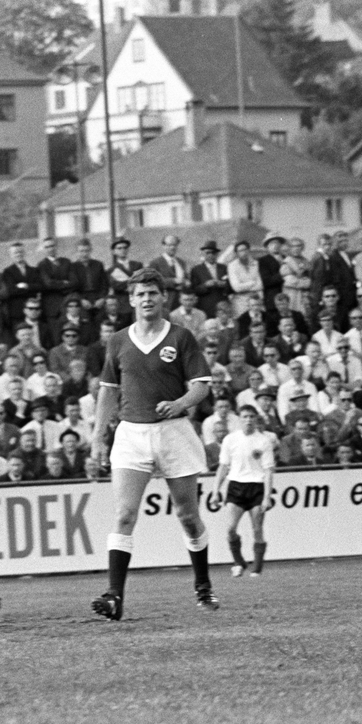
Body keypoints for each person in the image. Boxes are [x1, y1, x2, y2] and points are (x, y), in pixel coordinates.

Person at [90, 267, 217, 622]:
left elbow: (202, 385)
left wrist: (180, 403)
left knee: (188, 517)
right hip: (131, 434)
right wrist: (98, 438)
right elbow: (107, 392)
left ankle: (203, 584)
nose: (147, 299)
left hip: (174, 432)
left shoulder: (181, 337)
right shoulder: (117, 341)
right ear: (131, 300)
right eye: (140, 294)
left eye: (152, 293)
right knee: (124, 514)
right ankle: (114, 596)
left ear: (164, 298)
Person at [213, 404, 276, 579]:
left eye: (251, 417)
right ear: (239, 419)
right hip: (236, 486)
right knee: (230, 529)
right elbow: (223, 466)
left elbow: (269, 470)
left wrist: (267, 497)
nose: (248, 420)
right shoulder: (230, 439)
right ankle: (239, 561)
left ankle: (257, 566)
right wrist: (215, 491)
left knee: (257, 529)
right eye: (245, 417)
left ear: (256, 419)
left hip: (256, 486)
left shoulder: (263, 441)